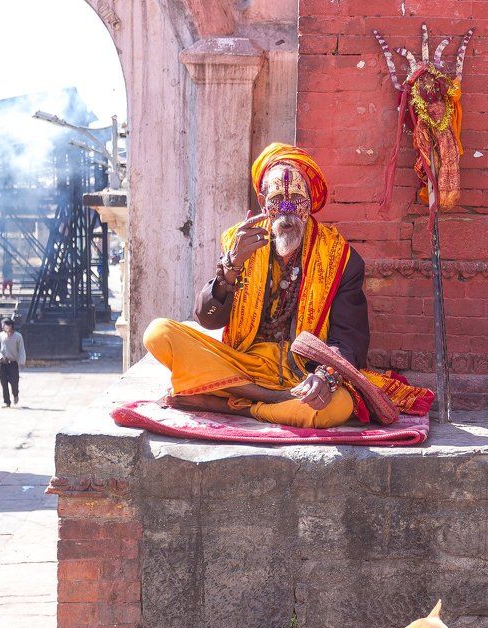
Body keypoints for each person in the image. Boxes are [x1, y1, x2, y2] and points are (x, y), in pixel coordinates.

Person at [143, 143, 432, 427]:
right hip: (244, 364)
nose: (287, 209)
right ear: (262, 200)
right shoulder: (241, 243)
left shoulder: (340, 257)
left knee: (338, 405)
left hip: (303, 373)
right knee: (159, 333)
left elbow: (350, 339)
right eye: (277, 198)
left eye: (297, 198)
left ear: (310, 202)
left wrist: (325, 375)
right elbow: (208, 320)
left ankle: (236, 405)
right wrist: (230, 270)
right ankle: (271, 400)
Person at [0, 318, 26, 407]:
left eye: (4, 325)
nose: (3, 326)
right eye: (2, 325)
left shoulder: (18, 336)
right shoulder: (0, 336)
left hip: (13, 363)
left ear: (10, 325)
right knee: (3, 382)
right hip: (3, 363)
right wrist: (0, 357)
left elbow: (21, 350)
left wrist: (22, 362)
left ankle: (15, 394)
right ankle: (7, 402)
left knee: (14, 382)